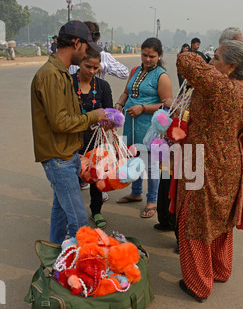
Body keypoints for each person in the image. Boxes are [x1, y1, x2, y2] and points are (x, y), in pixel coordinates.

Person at [175, 40, 243, 302]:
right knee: (221, 221)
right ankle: (220, 269)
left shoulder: (220, 86)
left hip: (202, 159)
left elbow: (184, 60)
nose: (210, 61)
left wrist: (198, 57)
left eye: (216, 57)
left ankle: (198, 284)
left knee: (194, 220)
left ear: (232, 66)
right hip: (230, 161)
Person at [31, 20, 109, 245]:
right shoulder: (51, 75)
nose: (86, 53)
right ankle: (79, 269)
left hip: (66, 154)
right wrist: (94, 115)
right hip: (58, 157)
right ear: (76, 43)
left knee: (61, 211)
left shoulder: (61, 73)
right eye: (86, 47)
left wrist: (96, 120)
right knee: (79, 218)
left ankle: (54, 256)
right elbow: (60, 122)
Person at [115, 37, 173, 218]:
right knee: (133, 157)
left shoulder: (162, 76)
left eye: (152, 56)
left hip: (149, 127)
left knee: (151, 164)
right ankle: (136, 192)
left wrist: (143, 108)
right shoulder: (135, 70)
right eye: (144, 55)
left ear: (159, 56)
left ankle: (152, 200)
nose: (147, 59)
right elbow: (126, 92)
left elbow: (167, 105)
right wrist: (119, 104)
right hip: (131, 123)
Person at [71, 49, 113, 229]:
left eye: (96, 67)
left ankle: (96, 211)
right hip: (72, 140)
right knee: (72, 180)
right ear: (80, 63)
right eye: (88, 66)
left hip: (96, 140)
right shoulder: (68, 83)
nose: (91, 71)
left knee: (97, 178)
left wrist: (110, 121)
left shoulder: (103, 86)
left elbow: (110, 113)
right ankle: (73, 214)